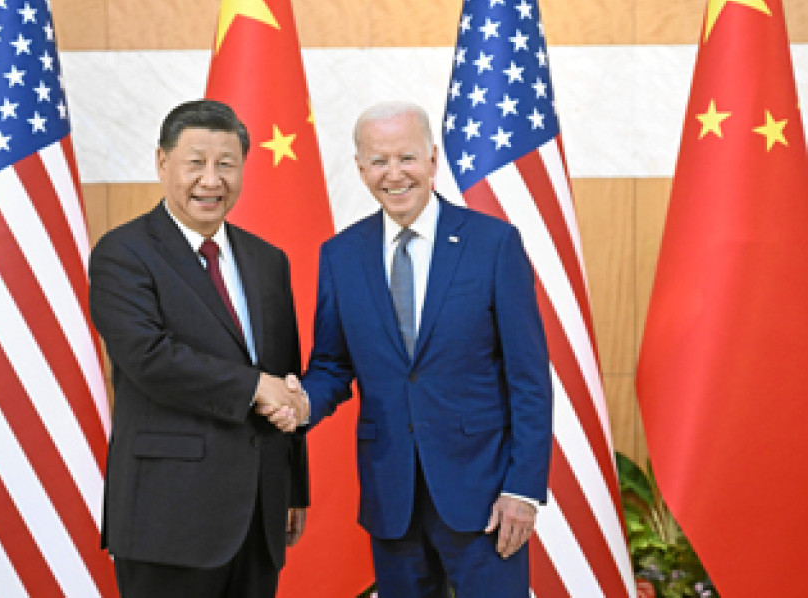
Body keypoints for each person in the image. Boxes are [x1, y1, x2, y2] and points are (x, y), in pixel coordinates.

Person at [271, 101, 552, 597]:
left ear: (432, 159)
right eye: (379, 161)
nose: (394, 174)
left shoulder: (493, 244)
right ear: (361, 170)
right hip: (392, 497)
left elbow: (528, 380)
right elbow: (333, 365)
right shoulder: (341, 254)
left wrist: (522, 490)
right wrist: (302, 401)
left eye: (407, 158)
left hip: (485, 497)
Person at [88, 99, 310, 598]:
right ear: (163, 162)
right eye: (195, 163)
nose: (211, 181)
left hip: (259, 512)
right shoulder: (122, 254)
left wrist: (292, 487)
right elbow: (150, 358)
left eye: (226, 164)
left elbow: (285, 373)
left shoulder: (267, 260)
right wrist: (255, 387)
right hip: (168, 516)